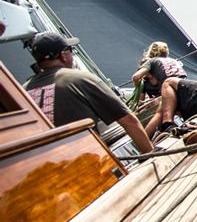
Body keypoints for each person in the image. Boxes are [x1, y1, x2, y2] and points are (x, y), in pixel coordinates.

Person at [23, 31, 153, 153]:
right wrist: (150, 154)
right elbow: (129, 120)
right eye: (70, 50)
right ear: (63, 55)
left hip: (44, 168)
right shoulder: (80, 79)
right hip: (89, 161)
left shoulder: (23, 91)